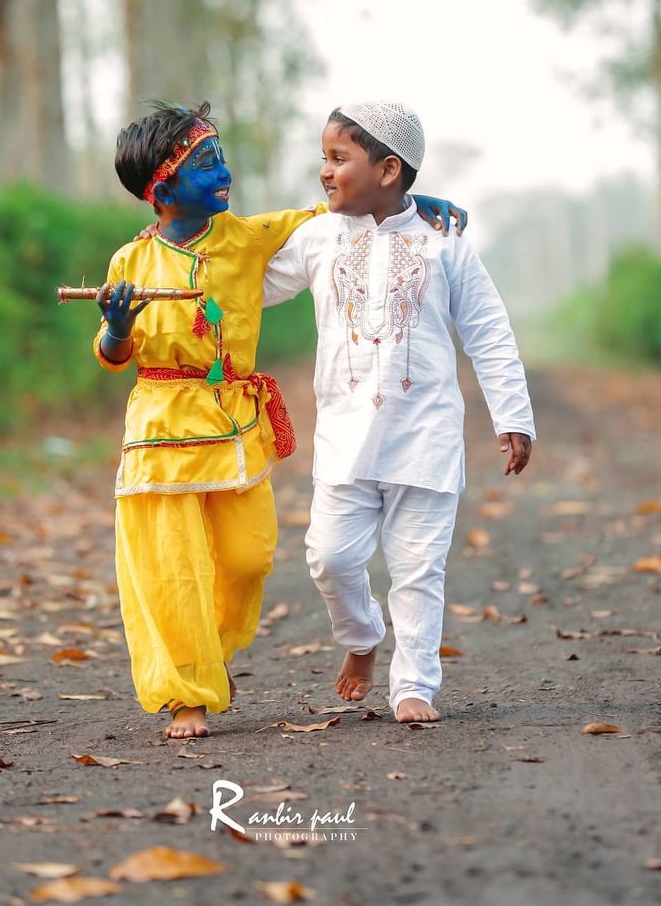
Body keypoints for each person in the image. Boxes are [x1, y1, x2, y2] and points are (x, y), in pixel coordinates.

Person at [94, 100, 467, 738]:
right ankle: (187, 692)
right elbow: (111, 356)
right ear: (161, 189)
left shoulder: (249, 237)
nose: (224, 173)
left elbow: (343, 211)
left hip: (234, 426)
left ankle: (208, 654)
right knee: (171, 565)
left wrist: (408, 197)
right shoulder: (129, 263)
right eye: (207, 165)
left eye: (222, 159)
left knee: (247, 559)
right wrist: (118, 325)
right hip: (156, 429)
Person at [262, 101, 535, 724]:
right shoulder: (318, 238)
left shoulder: (445, 242)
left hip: (425, 438)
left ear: (388, 170)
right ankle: (362, 639)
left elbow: (489, 331)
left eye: (338, 159)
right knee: (330, 558)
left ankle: (414, 685)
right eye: (323, 159)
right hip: (344, 440)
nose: (324, 172)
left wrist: (512, 416)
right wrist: (172, 242)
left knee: (417, 570)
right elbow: (248, 285)